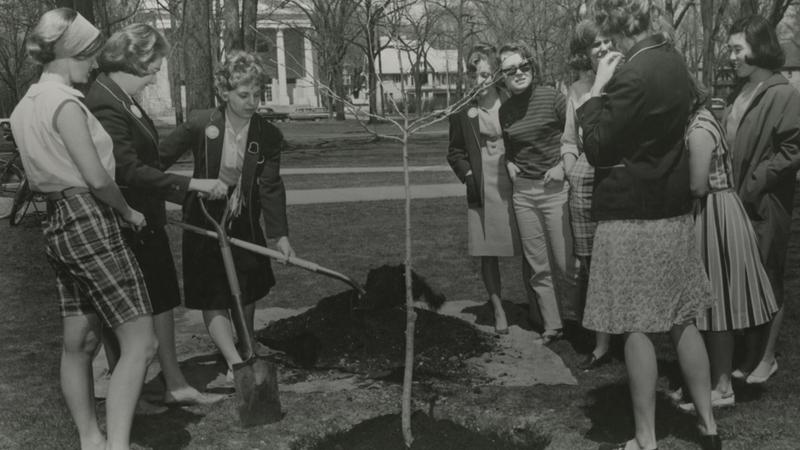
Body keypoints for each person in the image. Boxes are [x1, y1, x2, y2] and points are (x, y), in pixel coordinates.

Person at [9, 8, 157, 449]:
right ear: (72, 53)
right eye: (91, 55)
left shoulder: (24, 106)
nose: (96, 64)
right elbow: (95, 178)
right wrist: (129, 213)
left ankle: (91, 440)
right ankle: (116, 445)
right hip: (88, 217)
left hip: (56, 224)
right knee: (140, 341)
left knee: (82, 339)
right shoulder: (65, 104)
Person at [576, 1, 719, 449]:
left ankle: (645, 439)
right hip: (671, 212)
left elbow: (597, 147)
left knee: (635, 326)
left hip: (630, 216)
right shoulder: (674, 62)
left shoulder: (632, 76)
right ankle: (709, 427)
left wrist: (595, 90)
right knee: (682, 321)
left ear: (618, 33)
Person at [85, 23, 228, 406]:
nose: (154, 77)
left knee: (164, 298)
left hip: (149, 220)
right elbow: (126, 170)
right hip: (126, 221)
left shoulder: (122, 98)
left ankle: (173, 382)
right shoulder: (103, 100)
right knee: (126, 314)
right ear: (134, 61)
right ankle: (127, 389)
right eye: (153, 68)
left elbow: (149, 157)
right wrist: (190, 186)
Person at [159, 50, 294, 380]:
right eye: (243, 95)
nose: (252, 102)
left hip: (243, 223)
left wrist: (280, 236)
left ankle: (248, 345)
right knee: (213, 292)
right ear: (224, 92)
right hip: (203, 221)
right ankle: (234, 360)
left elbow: (271, 186)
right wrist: (186, 190)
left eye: (257, 94)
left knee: (246, 290)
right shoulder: (200, 123)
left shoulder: (268, 134)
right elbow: (154, 165)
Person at [676, 76, 778, 411]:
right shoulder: (697, 121)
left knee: (716, 305)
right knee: (706, 305)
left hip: (715, 214)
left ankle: (721, 387)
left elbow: (697, 186)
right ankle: (702, 381)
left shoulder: (701, 128)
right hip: (713, 213)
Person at [723, 15, 800, 385]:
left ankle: (767, 358)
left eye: (738, 49)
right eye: (730, 49)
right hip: (738, 201)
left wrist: (753, 184)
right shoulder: (742, 91)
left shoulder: (783, 93)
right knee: (748, 278)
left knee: (769, 278)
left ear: (759, 48)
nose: (731, 56)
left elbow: (790, 152)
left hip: (766, 205)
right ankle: (750, 354)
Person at [497, 42, 579, 343]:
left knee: (567, 265)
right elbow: (511, 148)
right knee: (537, 267)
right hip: (524, 194)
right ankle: (553, 325)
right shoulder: (505, 111)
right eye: (510, 70)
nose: (518, 73)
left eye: (524, 66)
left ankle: (588, 324)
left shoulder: (552, 97)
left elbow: (575, 138)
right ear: (502, 76)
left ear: (533, 66)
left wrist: (562, 167)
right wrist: (508, 162)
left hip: (555, 189)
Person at [447, 44, 521, 334]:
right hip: (482, 187)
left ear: (496, 76)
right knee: (487, 253)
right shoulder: (463, 111)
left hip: (514, 181)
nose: (480, 81)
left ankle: (540, 312)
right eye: (475, 75)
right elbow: (454, 152)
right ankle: (499, 310)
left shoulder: (512, 102)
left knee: (529, 247)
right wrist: (468, 176)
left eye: (486, 74)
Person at [561, 20, 614, 370]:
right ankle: (601, 341)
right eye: (596, 43)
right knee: (591, 263)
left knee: (617, 257)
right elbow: (568, 140)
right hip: (583, 181)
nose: (603, 48)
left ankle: (623, 331)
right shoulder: (578, 89)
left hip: (617, 180)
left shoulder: (629, 82)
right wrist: (570, 167)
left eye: (609, 41)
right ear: (586, 50)